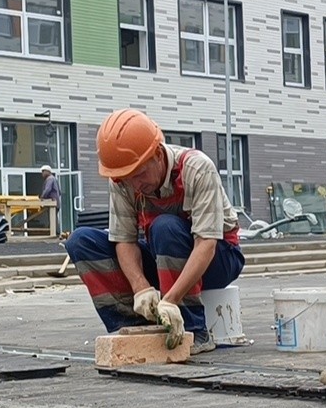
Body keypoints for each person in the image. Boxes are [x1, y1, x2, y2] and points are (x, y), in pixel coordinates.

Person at [65, 108, 245, 354]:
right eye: (126, 179)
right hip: (164, 256)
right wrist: (141, 288)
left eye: (139, 174)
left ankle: (193, 330)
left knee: (165, 225)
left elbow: (207, 244)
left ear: (158, 155)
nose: (134, 185)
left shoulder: (196, 168)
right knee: (81, 242)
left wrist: (170, 300)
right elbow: (124, 240)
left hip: (219, 257)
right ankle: (139, 326)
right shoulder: (122, 180)